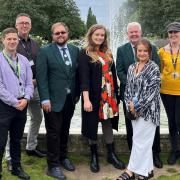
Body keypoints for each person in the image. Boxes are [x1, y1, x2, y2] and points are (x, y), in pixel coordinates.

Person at [78, 24, 125, 173]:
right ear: (91, 35)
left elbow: (114, 73)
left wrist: (116, 95)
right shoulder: (84, 53)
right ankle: (94, 156)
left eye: (102, 35)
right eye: (97, 34)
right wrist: (86, 99)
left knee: (107, 123)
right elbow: (83, 78)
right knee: (92, 124)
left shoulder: (108, 52)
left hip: (108, 95)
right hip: (93, 96)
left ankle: (111, 154)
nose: (99, 37)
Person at [116, 22, 163, 168]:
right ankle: (134, 155)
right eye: (131, 32)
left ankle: (154, 154)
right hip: (129, 96)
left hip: (148, 98)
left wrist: (140, 89)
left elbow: (156, 70)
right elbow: (120, 71)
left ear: (140, 32)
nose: (134, 34)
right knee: (132, 126)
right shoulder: (121, 50)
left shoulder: (152, 48)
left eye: (136, 32)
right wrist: (132, 88)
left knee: (151, 126)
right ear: (127, 34)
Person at [36, 22, 79, 180]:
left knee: (65, 129)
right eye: (57, 33)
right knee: (53, 132)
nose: (60, 35)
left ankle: (63, 156)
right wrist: (45, 98)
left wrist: (77, 94)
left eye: (63, 32)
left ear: (67, 33)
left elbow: (76, 74)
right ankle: (52, 165)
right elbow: (41, 78)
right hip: (52, 100)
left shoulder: (75, 50)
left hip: (69, 99)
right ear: (52, 35)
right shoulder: (45, 51)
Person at [5, 13, 46, 172]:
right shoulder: (12, 42)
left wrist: (37, 81)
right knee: (12, 124)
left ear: (30, 25)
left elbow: (39, 64)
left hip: (34, 89)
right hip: (17, 92)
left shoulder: (35, 44)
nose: (24, 25)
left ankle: (31, 146)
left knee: (37, 117)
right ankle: (9, 157)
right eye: (21, 23)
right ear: (16, 25)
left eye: (27, 23)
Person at [0, 28, 33, 179]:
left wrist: (26, 98)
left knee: (16, 138)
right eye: (9, 39)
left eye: (15, 39)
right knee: (0, 140)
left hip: (22, 105)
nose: (12, 41)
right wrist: (15, 102)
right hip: (4, 106)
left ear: (18, 40)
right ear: (3, 40)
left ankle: (16, 167)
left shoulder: (24, 60)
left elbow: (29, 84)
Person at [159, 22, 180, 165]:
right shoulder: (161, 51)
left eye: (176, 32)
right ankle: (175, 150)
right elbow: (160, 70)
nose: (173, 34)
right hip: (166, 92)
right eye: (170, 32)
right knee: (172, 122)